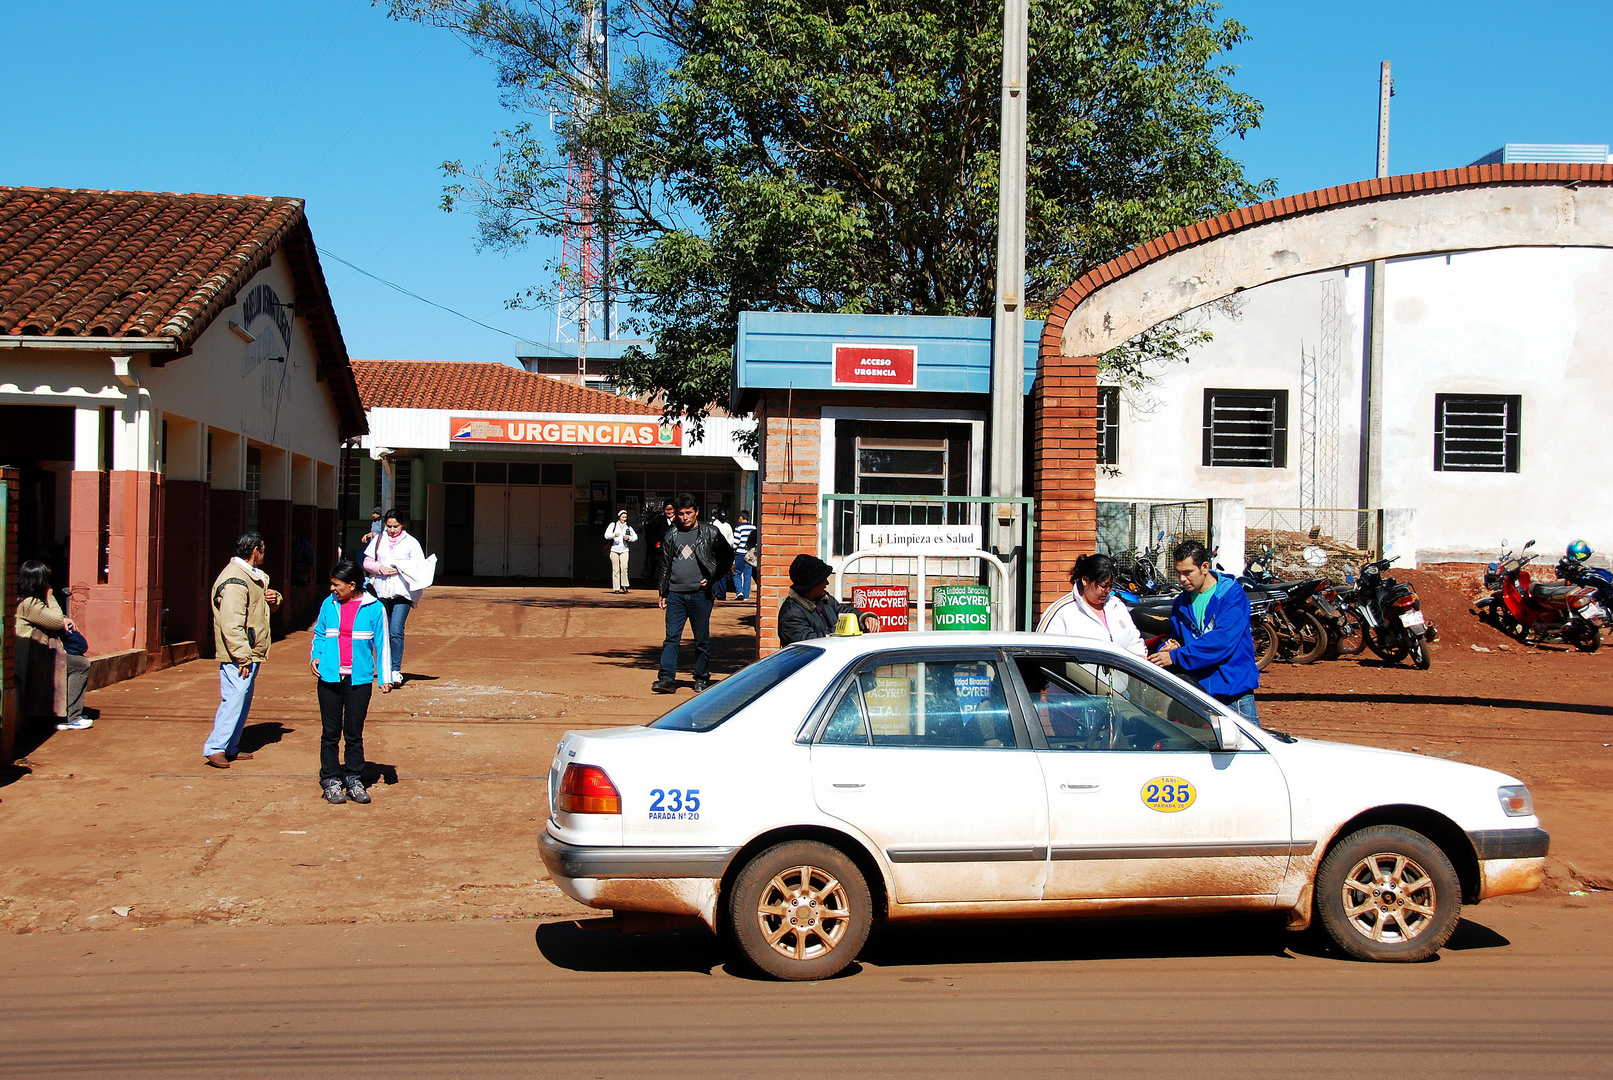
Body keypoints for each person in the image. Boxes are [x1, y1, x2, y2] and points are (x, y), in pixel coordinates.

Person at [1149, 539, 1261, 726]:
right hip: (1198, 694)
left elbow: (1222, 641)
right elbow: (1174, 637)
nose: (1182, 579)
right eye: (1178, 573)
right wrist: (1167, 647)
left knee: (1247, 752)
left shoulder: (1231, 596)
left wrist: (1176, 656)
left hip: (1233, 694)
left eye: (1188, 572)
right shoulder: (1181, 602)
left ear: (1205, 567)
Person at [308, 558, 391, 805]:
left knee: (353, 732)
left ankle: (353, 777)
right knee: (330, 732)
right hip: (329, 678)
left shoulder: (374, 608)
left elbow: (383, 644)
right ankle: (330, 779)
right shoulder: (328, 604)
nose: (332, 589)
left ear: (352, 585)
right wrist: (316, 655)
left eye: (337, 584)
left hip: (359, 680)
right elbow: (320, 634)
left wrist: (385, 677)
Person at [204, 532, 282, 768]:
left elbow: (259, 606)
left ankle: (229, 745)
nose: (264, 553)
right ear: (254, 551)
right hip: (239, 653)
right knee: (235, 698)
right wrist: (242, 655)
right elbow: (231, 622)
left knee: (242, 698)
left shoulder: (251, 576)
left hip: (248, 650)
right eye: (263, 549)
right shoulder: (236, 580)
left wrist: (274, 598)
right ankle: (216, 746)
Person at [653, 495, 733, 694]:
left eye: (688, 512)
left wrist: (713, 578)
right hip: (676, 595)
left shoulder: (710, 533)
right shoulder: (671, 534)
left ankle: (701, 678)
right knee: (672, 637)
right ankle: (666, 679)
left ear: (696, 511)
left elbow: (727, 556)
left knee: (701, 639)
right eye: (681, 513)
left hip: (700, 594)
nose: (685, 517)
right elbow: (664, 564)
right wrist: (662, 591)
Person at [14, 560, 92, 731]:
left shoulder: (26, 601)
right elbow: (56, 621)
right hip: (31, 657)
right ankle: (72, 717)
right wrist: (50, 595)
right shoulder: (28, 604)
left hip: (39, 653)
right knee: (80, 665)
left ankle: (67, 713)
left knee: (76, 663)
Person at [363, 510, 429, 687]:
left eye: (396, 526)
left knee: (395, 630)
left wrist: (402, 569)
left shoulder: (411, 543)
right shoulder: (378, 540)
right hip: (381, 592)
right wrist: (379, 567)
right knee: (382, 630)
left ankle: (395, 669)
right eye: (389, 526)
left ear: (403, 525)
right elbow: (367, 562)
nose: (392, 530)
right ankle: (383, 667)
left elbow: (420, 566)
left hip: (403, 592)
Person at [1036, 552, 1147, 657]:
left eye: (1111, 586)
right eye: (1103, 586)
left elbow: (1134, 641)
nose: (1107, 591)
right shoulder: (1061, 611)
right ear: (1085, 580)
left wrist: (1140, 657)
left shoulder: (1117, 606)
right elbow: (1043, 652)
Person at [778, 554, 881, 647]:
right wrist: (843, 630)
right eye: (823, 580)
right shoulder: (791, 614)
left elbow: (843, 610)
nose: (827, 583)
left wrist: (864, 618)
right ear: (812, 585)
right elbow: (812, 644)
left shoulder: (824, 599)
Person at [605, 510, 637, 593]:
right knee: (615, 569)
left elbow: (635, 537)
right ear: (619, 517)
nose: (624, 519)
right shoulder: (613, 525)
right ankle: (616, 588)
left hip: (624, 549)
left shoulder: (628, 526)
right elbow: (606, 535)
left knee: (624, 567)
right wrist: (614, 535)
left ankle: (625, 585)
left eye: (625, 517)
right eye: (622, 517)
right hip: (614, 549)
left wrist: (629, 538)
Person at [730, 512, 758, 601]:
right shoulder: (753, 528)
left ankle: (739, 592)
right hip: (750, 555)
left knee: (737, 573)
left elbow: (736, 543)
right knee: (747, 575)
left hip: (740, 553)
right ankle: (746, 596)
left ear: (741, 518)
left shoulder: (739, 528)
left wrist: (733, 550)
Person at [711, 508, 736, 599]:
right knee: (715, 573)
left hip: (724, 552)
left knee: (722, 574)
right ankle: (714, 592)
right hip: (716, 552)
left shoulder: (727, 526)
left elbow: (731, 540)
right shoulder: (714, 525)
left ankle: (721, 594)